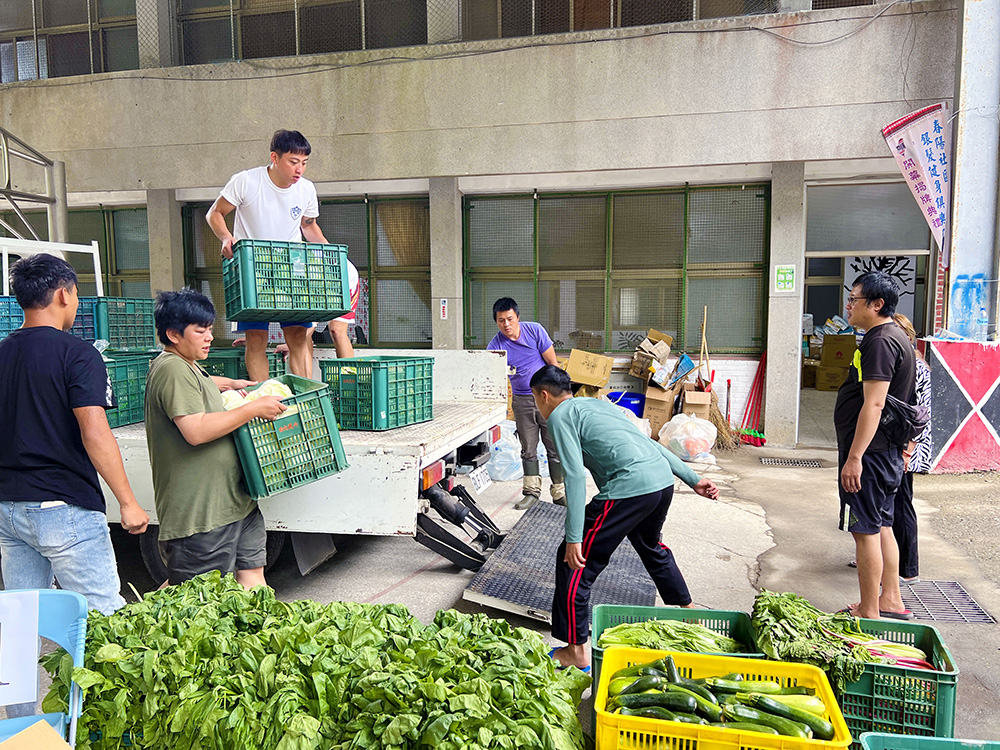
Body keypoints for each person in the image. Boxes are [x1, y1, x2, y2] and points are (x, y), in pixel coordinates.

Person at [530, 365, 720, 670]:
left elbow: (575, 476)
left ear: (544, 395)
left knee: (574, 564)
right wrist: (692, 478)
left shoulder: (560, 416)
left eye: (536, 400)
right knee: (650, 547)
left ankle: (576, 651)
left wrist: (574, 537)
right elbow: (650, 444)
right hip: (660, 483)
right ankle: (690, 613)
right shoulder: (597, 406)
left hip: (629, 488)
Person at [0, 254, 149, 616]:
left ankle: (16, 676)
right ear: (64, 295)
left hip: (7, 508)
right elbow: (94, 431)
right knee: (102, 618)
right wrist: (128, 502)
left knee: (23, 619)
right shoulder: (77, 354)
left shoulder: (2, 352)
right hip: (63, 506)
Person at [145, 288, 286, 588]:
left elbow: (201, 383)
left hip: (236, 503)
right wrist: (252, 409)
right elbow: (195, 430)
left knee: (253, 579)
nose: (209, 337)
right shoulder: (171, 369)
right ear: (173, 335)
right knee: (198, 599)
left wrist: (230, 384)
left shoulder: (188, 365)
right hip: (203, 513)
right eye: (200, 331)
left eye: (210, 329)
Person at [207, 129, 358, 378]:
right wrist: (225, 236)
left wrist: (331, 257)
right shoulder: (246, 181)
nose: (299, 169)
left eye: (304, 163)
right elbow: (215, 213)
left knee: (298, 337)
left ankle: (305, 399)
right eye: (293, 162)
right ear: (274, 158)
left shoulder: (306, 189)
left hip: (292, 270)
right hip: (252, 270)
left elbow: (308, 226)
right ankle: (265, 401)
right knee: (256, 339)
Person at [835, 271, 916, 620]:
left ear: (876, 304)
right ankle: (890, 598)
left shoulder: (880, 341)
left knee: (864, 531)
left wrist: (855, 457)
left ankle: (869, 610)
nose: (848, 306)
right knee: (882, 525)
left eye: (854, 299)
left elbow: (875, 403)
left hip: (871, 455)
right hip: (885, 453)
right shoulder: (896, 335)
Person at [488, 298, 564, 510]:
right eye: (501, 320)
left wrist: (558, 397)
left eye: (510, 319)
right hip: (521, 400)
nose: (506, 324)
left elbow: (553, 364)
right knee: (528, 448)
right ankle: (531, 492)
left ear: (518, 317)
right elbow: (490, 374)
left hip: (546, 397)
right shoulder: (496, 345)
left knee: (555, 446)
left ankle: (560, 493)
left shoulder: (534, 331)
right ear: (496, 322)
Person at [891, 313, 931, 584]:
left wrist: (907, 451)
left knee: (902, 503)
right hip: (900, 444)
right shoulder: (905, 362)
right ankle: (886, 555)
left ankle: (908, 568)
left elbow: (920, 414)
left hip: (908, 445)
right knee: (891, 503)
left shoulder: (916, 367)